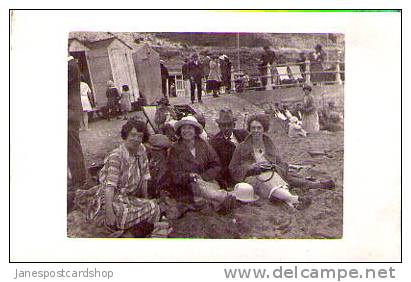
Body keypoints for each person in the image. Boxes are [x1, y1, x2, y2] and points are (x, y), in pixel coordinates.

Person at [79, 119, 171, 237]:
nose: (136, 139)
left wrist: (145, 199)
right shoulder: (116, 156)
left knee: (153, 207)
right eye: (132, 135)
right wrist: (109, 212)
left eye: (139, 136)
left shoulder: (141, 151)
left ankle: (132, 231)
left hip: (128, 198)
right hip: (111, 199)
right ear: (125, 135)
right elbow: (109, 188)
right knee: (120, 215)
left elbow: (144, 178)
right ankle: (134, 229)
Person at [229, 114, 311, 209]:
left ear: (264, 129)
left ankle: (291, 203)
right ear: (249, 129)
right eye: (253, 128)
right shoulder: (241, 147)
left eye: (259, 128)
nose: (256, 131)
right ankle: (293, 199)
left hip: (272, 174)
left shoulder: (270, 145)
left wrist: (273, 167)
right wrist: (250, 167)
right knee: (267, 179)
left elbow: (281, 164)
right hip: (253, 177)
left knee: (275, 178)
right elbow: (233, 168)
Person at [167, 116, 236, 212]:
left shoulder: (204, 145)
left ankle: (219, 200)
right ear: (180, 131)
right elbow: (174, 174)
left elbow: (216, 165)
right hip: (186, 185)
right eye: (184, 128)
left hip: (207, 180)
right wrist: (190, 176)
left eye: (190, 128)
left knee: (208, 190)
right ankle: (223, 197)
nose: (186, 131)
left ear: (195, 131)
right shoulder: (175, 149)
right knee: (202, 189)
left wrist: (204, 176)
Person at [209, 108, 249, 189]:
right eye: (223, 125)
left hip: (249, 171)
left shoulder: (243, 134)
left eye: (229, 125)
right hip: (231, 179)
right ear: (219, 126)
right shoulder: (214, 143)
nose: (226, 128)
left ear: (234, 125)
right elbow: (217, 167)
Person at [67, 56, 87, 206]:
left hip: (69, 111)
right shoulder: (70, 64)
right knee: (70, 147)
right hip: (70, 110)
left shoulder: (69, 65)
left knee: (72, 147)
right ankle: (77, 179)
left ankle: (79, 180)